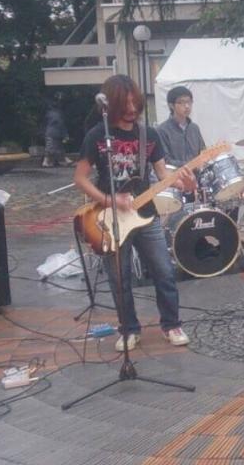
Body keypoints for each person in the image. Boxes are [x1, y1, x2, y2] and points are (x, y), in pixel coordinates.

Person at [73, 74, 195, 351]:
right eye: (125, 103)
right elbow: (80, 178)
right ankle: (128, 329)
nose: (131, 108)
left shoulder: (148, 135)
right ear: (112, 104)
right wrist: (108, 199)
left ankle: (172, 325)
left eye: (134, 102)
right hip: (111, 219)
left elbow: (163, 175)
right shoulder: (97, 135)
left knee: (164, 271)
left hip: (146, 215)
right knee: (120, 278)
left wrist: (184, 183)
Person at [156, 86, 205, 169]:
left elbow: (202, 151)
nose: (187, 106)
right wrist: (191, 165)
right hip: (175, 175)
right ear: (171, 105)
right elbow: (165, 160)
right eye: (182, 102)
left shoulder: (194, 128)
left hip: (197, 174)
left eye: (189, 102)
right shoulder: (162, 130)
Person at [43, 94, 72, 167]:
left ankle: (50, 161)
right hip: (55, 133)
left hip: (51, 132)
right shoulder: (58, 114)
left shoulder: (49, 113)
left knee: (53, 147)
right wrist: (65, 135)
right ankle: (62, 160)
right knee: (55, 147)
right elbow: (61, 125)